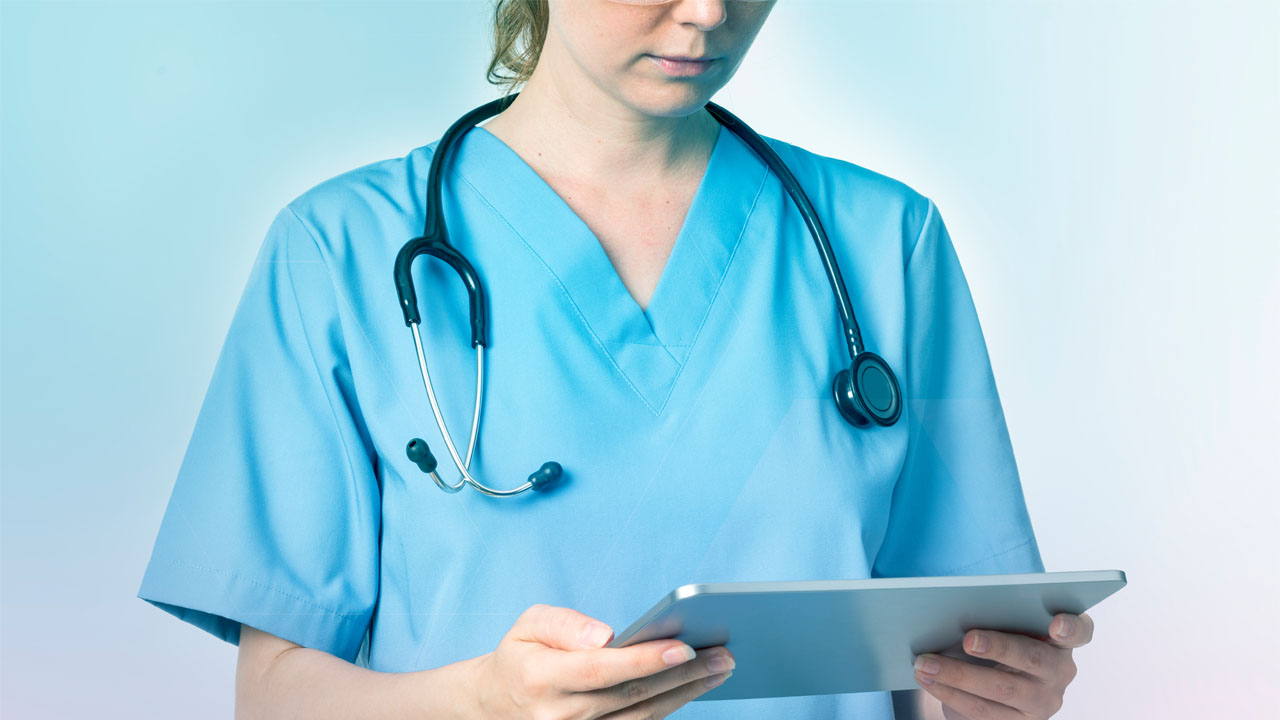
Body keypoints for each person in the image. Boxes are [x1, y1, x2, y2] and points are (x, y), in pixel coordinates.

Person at [137, 0, 1096, 717]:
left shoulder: (886, 244)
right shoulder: (338, 251)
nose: (709, 13)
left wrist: (995, 691)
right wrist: (480, 703)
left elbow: (940, 660)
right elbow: (273, 693)